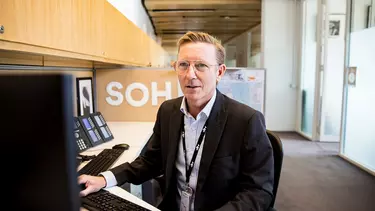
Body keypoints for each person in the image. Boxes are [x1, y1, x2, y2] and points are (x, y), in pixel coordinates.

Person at [78, 31, 274, 211]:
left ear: (220, 72)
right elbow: (150, 162)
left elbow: (258, 192)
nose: (190, 74)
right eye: (183, 65)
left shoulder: (246, 121)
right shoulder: (168, 111)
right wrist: (104, 179)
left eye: (201, 65)